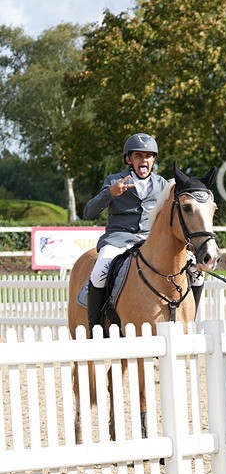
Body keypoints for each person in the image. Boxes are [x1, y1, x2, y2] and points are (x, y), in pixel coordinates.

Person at [81, 133, 172, 332]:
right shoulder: (113, 180)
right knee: (99, 273)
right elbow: (88, 212)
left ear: (153, 160)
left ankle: (188, 320)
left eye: (148, 156)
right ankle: (95, 327)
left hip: (149, 241)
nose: (144, 160)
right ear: (129, 159)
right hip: (118, 240)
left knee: (192, 270)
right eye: (138, 156)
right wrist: (109, 193)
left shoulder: (162, 184)